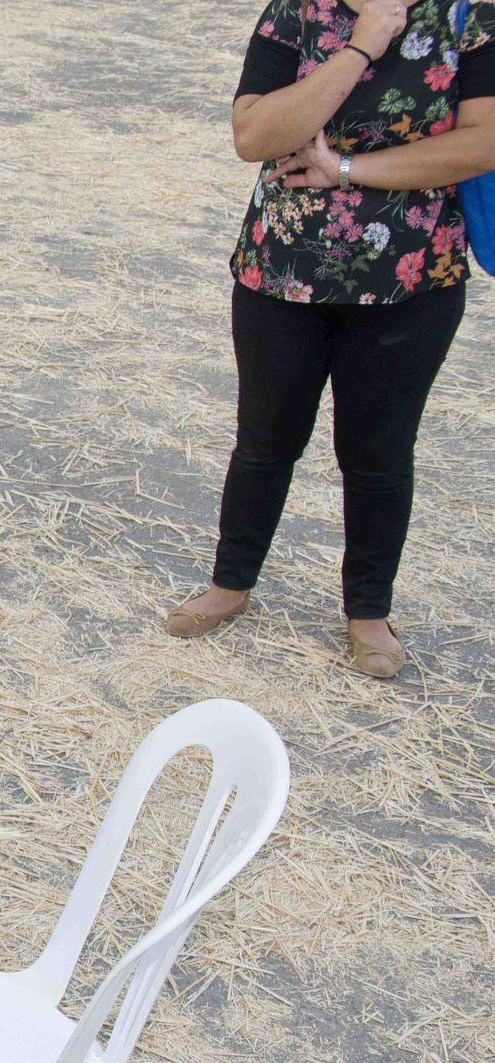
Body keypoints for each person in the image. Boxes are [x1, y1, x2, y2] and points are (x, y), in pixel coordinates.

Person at [166, 0, 493, 678]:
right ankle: (230, 585)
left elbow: (481, 143)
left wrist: (344, 168)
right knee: (264, 440)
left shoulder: (470, 16)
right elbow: (254, 135)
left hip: (411, 280)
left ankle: (368, 613)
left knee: (378, 452)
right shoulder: (297, 11)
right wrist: (361, 46)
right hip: (280, 271)